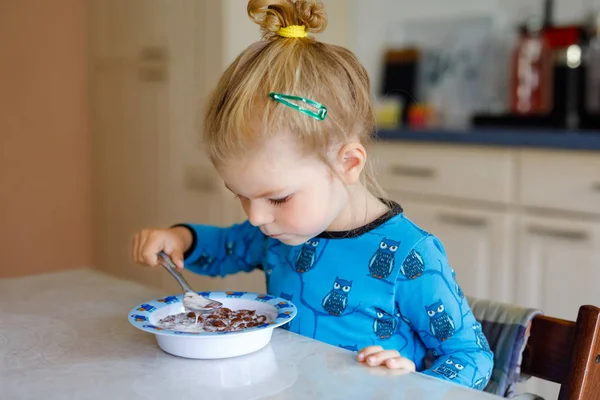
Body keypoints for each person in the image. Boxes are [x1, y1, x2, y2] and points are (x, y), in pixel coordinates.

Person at [132, 0, 493, 389]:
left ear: (348, 164)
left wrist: (413, 385)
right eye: (240, 195)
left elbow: (471, 357)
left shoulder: (411, 256)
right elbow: (225, 247)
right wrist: (181, 238)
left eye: (278, 198)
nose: (256, 218)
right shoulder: (280, 232)